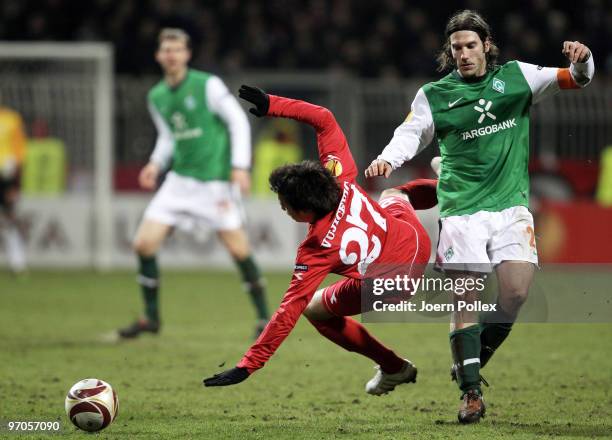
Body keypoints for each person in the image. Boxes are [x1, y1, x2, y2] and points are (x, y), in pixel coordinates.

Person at [365, 10, 594, 423]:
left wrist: (582, 59)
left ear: (486, 45)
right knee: (465, 296)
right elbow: (412, 132)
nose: (464, 54)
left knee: (516, 294)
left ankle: (469, 360)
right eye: (457, 48)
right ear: (449, 52)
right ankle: (471, 393)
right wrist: (387, 159)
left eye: (471, 46)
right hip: (461, 211)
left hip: (510, 206)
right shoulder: (435, 94)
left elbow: (576, 79)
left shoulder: (518, 78)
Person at [203, 85, 438, 394]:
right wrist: (272, 104)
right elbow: (324, 118)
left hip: (394, 284)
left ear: (303, 209)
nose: (283, 210)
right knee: (394, 193)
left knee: (314, 309)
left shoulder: (317, 248)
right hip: (415, 242)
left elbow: (288, 310)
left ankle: (393, 366)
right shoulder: (338, 175)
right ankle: (453, 186)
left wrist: (249, 365)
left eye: (285, 206)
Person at [117, 29, 269, 339]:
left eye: (177, 49)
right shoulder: (156, 96)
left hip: (215, 184)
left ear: (187, 54)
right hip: (178, 182)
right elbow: (169, 136)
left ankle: (265, 318)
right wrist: (155, 163)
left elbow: (237, 121)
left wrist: (239, 166)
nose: (171, 55)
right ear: (159, 56)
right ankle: (152, 318)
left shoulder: (207, 85)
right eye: (166, 50)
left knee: (239, 251)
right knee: (143, 244)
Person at [0, 104, 27, 275]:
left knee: (10, 218)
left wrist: (16, 181)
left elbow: (20, 149)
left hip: (6, 175)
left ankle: (17, 261)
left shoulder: (12, 119)